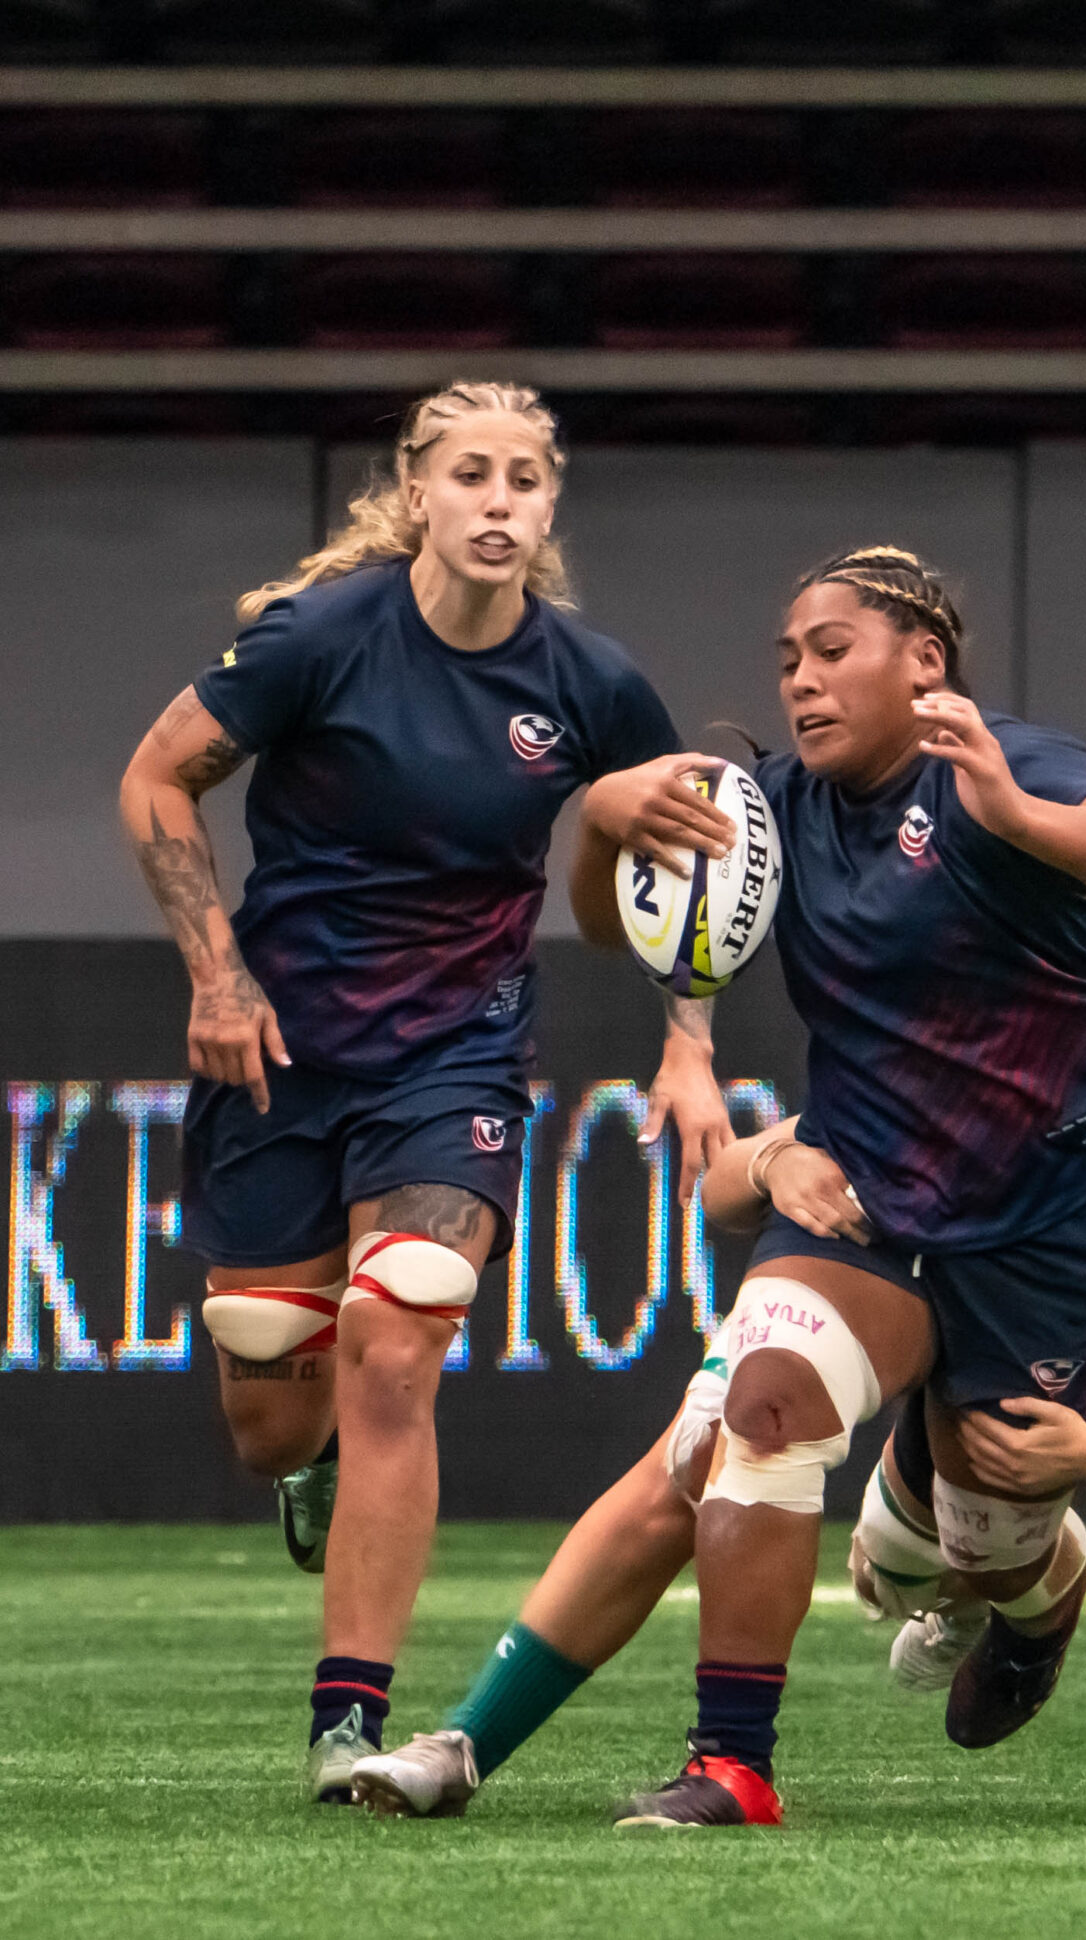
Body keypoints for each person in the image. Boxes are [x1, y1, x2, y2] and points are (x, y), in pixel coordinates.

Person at [116, 380, 733, 1803]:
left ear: (550, 502)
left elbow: (688, 877)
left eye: (524, 477)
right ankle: (310, 1461)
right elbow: (155, 780)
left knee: (395, 1340)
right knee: (272, 1406)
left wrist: (689, 1039)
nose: (498, 500)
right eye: (470, 474)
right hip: (282, 1052)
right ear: (417, 491)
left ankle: (348, 1715)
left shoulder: (591, 685)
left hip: (457, 1059)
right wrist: (218, 975)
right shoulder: (318, 638)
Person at [566, 545, 1086, 1828]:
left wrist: (1019, 816)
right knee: (774, 1412)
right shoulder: (773, 805)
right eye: (787, 659)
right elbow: (627, 919)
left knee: (976, 1534)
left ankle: (1034, 1606)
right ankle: (731, 1761)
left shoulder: (1004, 764)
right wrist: (600, 819)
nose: (800, 679)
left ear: (924, 661)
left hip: (1044, 1216)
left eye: (830, 649)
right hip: (884, 1194)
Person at [345, 1103, 1086, 1820]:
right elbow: (725, 1188)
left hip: (1021, 1330)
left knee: (954, 1548)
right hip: (884, 1270)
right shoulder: (925, 1063)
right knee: (706, 1445)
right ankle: (472, 1741)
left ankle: (1027, 1619)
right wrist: (774, 1163)